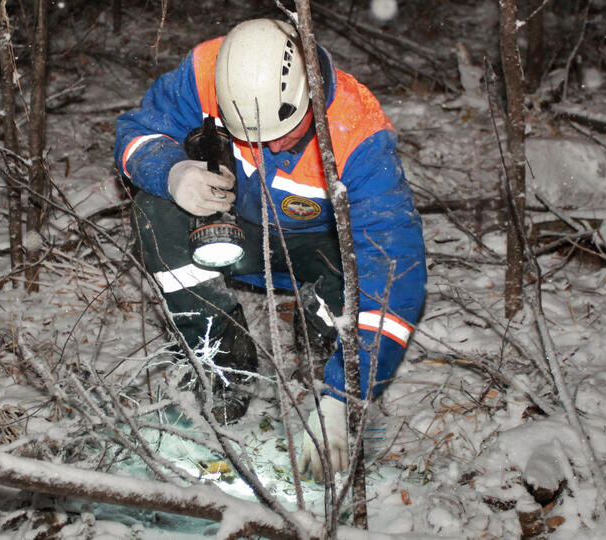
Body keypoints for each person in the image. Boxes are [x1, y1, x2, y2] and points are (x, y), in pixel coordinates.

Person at [114, 19, 426, 481]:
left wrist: (346, 396)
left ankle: (324, 340)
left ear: (308, 99)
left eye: (280, 133)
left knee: (360, 276)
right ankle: (223, 354)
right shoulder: (206, 70)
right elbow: (139, 130)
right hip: (230, 233)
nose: (263, 146)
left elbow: (394, 268)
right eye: (247, 133)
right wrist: (172, 172)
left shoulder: (357, 131)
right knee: (153, 215)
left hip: (313, 248)